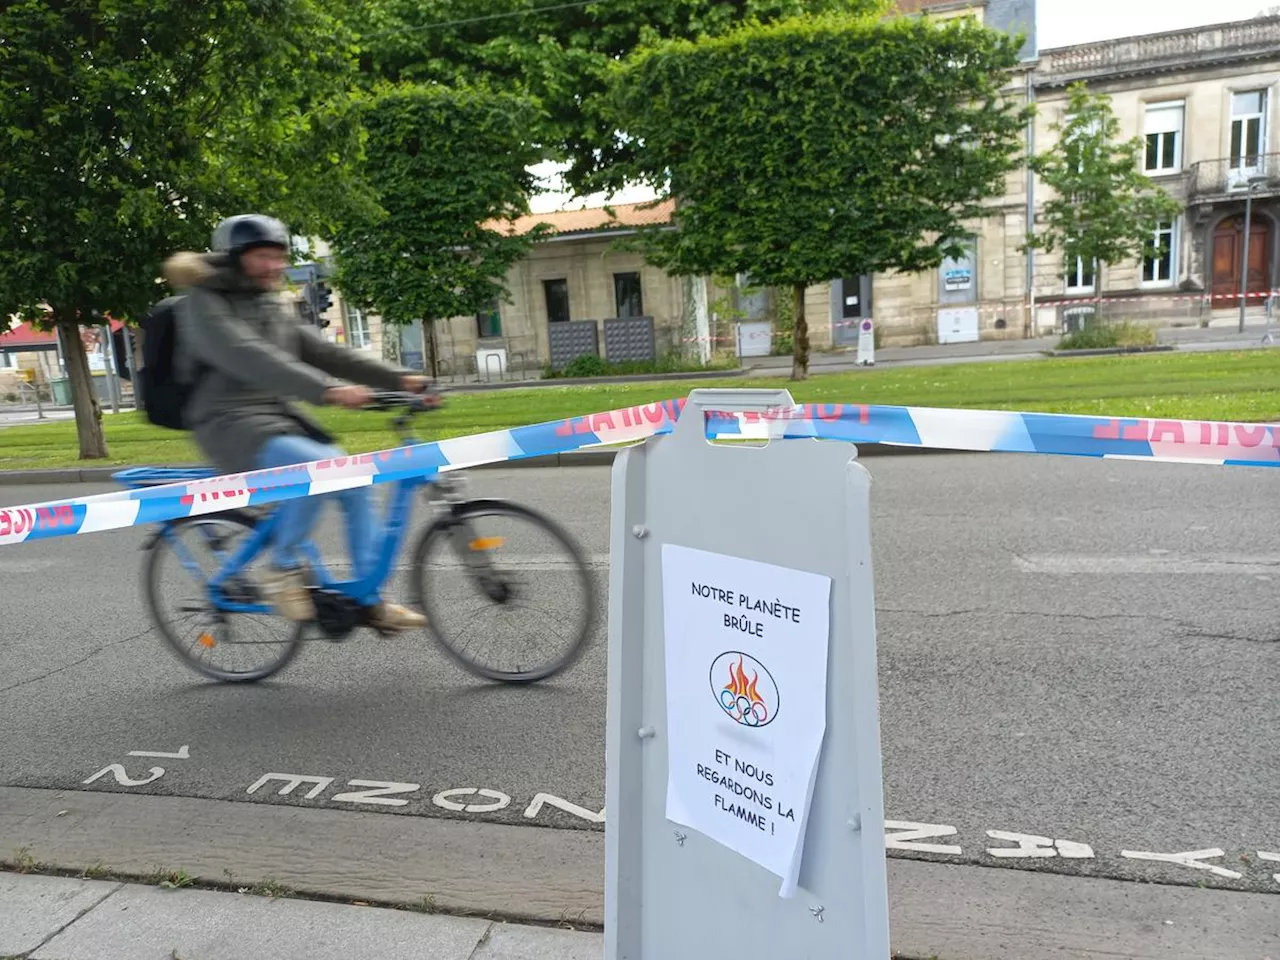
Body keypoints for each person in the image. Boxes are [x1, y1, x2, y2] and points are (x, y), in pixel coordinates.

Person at [163, 214, 435, 630]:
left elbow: (326, 353)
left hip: (273, 417)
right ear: (235, 258)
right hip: (226, 422)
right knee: (316, 470)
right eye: (262, 257)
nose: (274, 266)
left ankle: (368, 599)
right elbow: (251, 356)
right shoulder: (204, 304)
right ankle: (282, 569)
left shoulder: (268, 302)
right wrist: (326, 390)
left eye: (278, 256)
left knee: (352, 477)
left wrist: (400, 379)